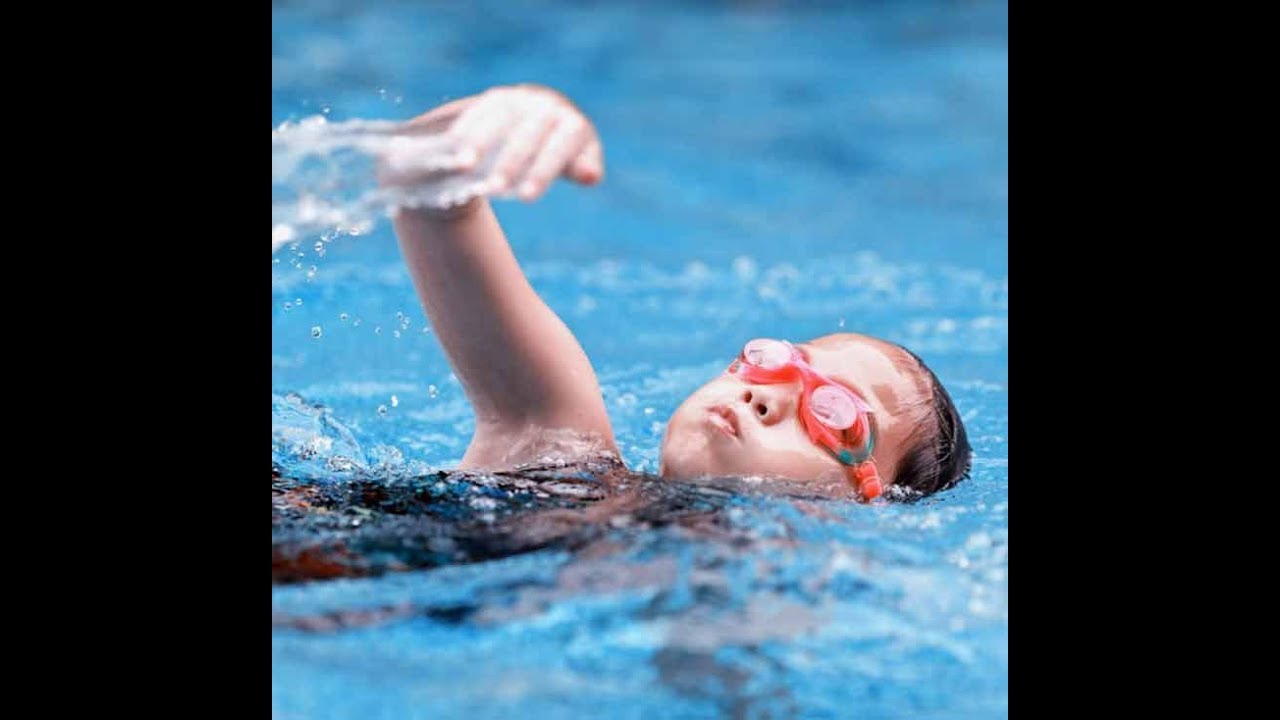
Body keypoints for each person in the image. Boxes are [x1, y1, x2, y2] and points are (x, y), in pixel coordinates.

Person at [380, 84, 970, 502]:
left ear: (865, 502)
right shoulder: (555, 441)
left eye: (835, 415)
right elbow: (426, 193)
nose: (767, 400)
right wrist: (509, 118)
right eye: (782, 364)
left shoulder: (773, 588)